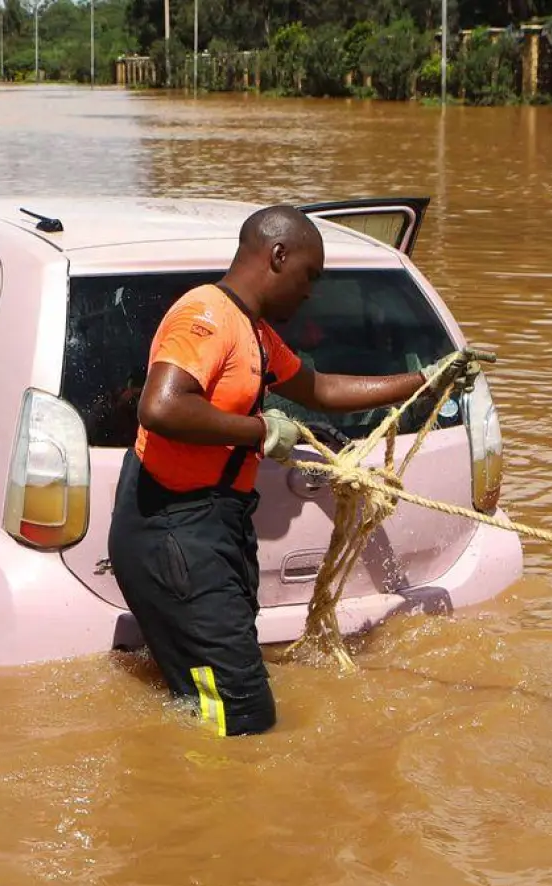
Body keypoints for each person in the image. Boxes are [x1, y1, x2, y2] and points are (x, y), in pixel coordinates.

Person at [107, 205, 480, 737]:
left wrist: (425, 378)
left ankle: (189, 787)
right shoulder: (206, 316)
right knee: (241, 714)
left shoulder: (253, 333)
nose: (311, 293)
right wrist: (260, 432)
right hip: (175, 528)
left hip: (213, 526)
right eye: (309, 276)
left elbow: (320, 389)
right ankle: (211, 804)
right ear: (277, 256)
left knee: (207, 693)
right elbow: (161, 407)